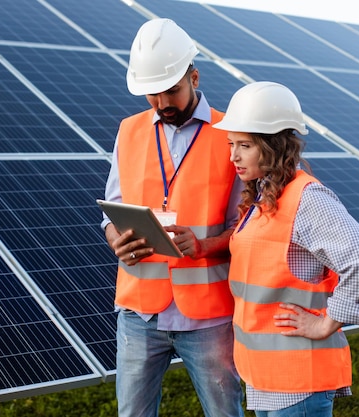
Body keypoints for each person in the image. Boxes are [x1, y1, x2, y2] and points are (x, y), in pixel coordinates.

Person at [101, 18, 244, 417]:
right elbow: (112, 209)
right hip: (139, 312)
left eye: (173, 90)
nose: (163, 102)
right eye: (153, 93)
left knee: (224, 413)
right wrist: (115, 237)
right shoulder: (128, 132)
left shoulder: (230, 133)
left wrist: (203, 246)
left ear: (194, 77)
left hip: (208, 315)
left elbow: (248, 227)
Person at [213, 81, 359, 417]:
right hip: (266, 380)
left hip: (298, 382)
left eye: (245, 145)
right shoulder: (263, 197)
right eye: (232, 144)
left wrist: (326, 324)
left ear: (274, 146)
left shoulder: (306, 199)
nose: (233, 155)